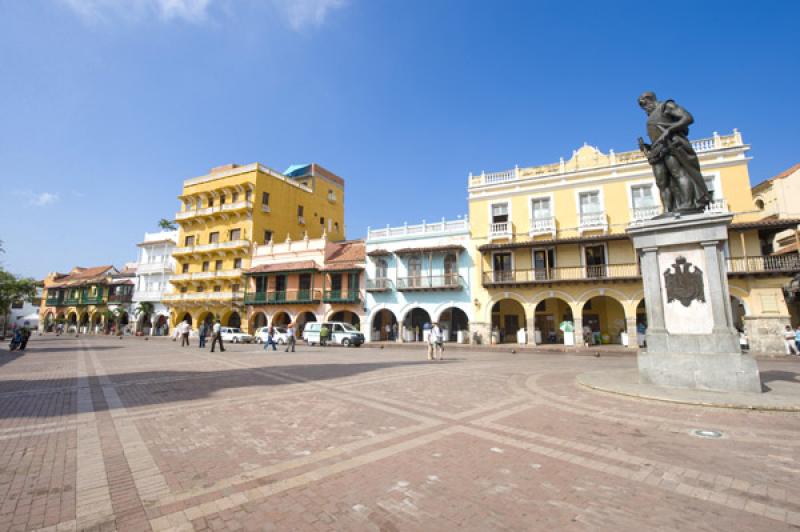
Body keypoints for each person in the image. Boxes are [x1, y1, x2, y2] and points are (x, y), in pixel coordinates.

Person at [637, 91, 710, 213]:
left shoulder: (666, 106)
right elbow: (657, 136)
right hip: (657, 151)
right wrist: (647, 147)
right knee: (661, 182)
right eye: (642, 106)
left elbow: (688, 118)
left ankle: (688, 203)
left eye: (645, 105)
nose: (644, 108)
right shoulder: (650, 117)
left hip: (671, 145)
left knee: (678, 173)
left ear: (650, 99)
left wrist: (669, 130)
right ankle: (668, 209)